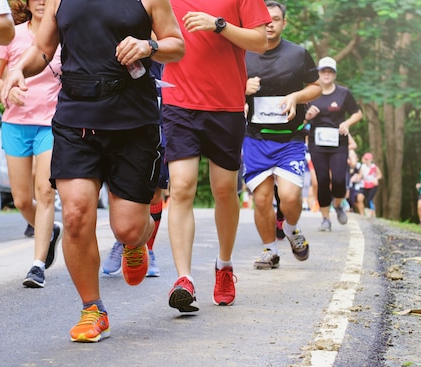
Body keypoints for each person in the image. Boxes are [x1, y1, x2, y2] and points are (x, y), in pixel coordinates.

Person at [0, 0, 184, 342]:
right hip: (76, 118)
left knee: (128, 228)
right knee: (74, 214)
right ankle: (92, 309)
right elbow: (42, 48)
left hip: (133, 122)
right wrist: (16, 71)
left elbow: (177, 44)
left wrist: (149, 45)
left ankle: (135, 244)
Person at [162, 0, 269, 312]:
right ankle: (184, 278)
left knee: (224, 189)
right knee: (181, 186)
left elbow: (260, 41)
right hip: (179, 101)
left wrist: (218, 25)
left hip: (225, 105)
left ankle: (224, 266)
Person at [0, 0, 63, 289]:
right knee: (21, 199)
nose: (43, 2)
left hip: (51, 122)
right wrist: (8, 89)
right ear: (27, 5)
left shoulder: (62, 36)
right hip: (16, 123)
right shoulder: (12, 35)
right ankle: (51, 230)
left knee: (45, 190)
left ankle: (37, 265)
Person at [243, 1, 321, 270]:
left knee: (289, 197)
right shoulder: (244, 53)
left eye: (275, 19)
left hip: (290, 139)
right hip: (254, 138)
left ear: (284, 23)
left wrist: (296, 97)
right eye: (265, 20)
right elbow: (221, 84)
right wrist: (242, 87)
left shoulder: (298, 54)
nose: (270, 24)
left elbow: (317, 87)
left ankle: (291, 228)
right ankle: (270, 250)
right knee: (262, 199)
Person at [102, 61, 168, 278]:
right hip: (123, 125)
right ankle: (124, 240)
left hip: (161, 124)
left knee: (155, 192)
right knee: (120, 191)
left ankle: (147, 248)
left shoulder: (166, 44)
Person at [305, 56, 363, 231]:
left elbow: (357, 113)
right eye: (323, 71)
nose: (326, 74)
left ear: (334, 74)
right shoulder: (310, 93)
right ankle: (325, 218)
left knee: (338, 179)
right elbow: (297, 117)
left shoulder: (343, 93)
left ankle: (337, 205)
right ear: (318, 73)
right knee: (322, 180)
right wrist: (308, 116)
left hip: (338, 142)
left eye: (330, 71)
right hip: (317, 142)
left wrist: (347, 123)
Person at [359, 152, 382, 217]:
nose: (365, 160)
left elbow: (380, 175)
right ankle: (365, 213)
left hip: (373, 185)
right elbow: (360, 176)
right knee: (362, 198)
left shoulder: (374, 167)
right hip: (365, 185)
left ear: (370, 160)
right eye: (365, 159)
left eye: (367, 159)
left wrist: (376, 179)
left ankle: (372, 212)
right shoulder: (362, 167)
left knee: (369, 199)